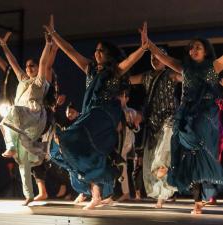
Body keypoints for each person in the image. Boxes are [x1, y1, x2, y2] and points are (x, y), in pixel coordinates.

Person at [44, 15, 149, 209]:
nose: (97, 53)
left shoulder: (115, 70)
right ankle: (96, 193)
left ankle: (99, 188)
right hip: (89, 114)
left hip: (104, 115)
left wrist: (143, 48)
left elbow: (129, 62)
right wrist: (54, 34)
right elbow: (70, 51)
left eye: (102, 50)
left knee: (72, 137)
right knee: (65, 151)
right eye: (96, 50)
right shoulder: (89, 68)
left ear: (109, 54)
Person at [147, 36, 223, 214]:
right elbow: (161, 57)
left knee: (196, 148)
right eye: (191, 48)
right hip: (186, 114)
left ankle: (197, 190)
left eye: (198, 47)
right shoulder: (184, 67)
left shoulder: (213, 66)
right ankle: (197, 201)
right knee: (189, 156)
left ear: (205, 51)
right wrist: (149, 44)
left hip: (205, 116)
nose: (193, 50)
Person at [0, 32, 52, 205]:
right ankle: (28, 195)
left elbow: (44, 62)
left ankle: (12, 146)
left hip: (34, 117)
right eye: (27, 66)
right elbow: (13, 63)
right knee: (22, 160)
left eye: (32, 66)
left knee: (11, 111)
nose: (29, 69)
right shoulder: (22, 79)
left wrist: (48, 44)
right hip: (21, 122)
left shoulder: (39, 82)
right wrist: (5, 46)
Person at [130, 49, 181, 208]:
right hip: (152, 122)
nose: (154, 59)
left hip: (169, 118)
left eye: (158, 57)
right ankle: (160, 196)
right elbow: (126, 79)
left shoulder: (171, 74)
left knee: (163, 152)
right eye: (152, 57)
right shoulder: (146, 77)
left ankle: (164, 170)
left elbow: (186, 75)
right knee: (151, 159)